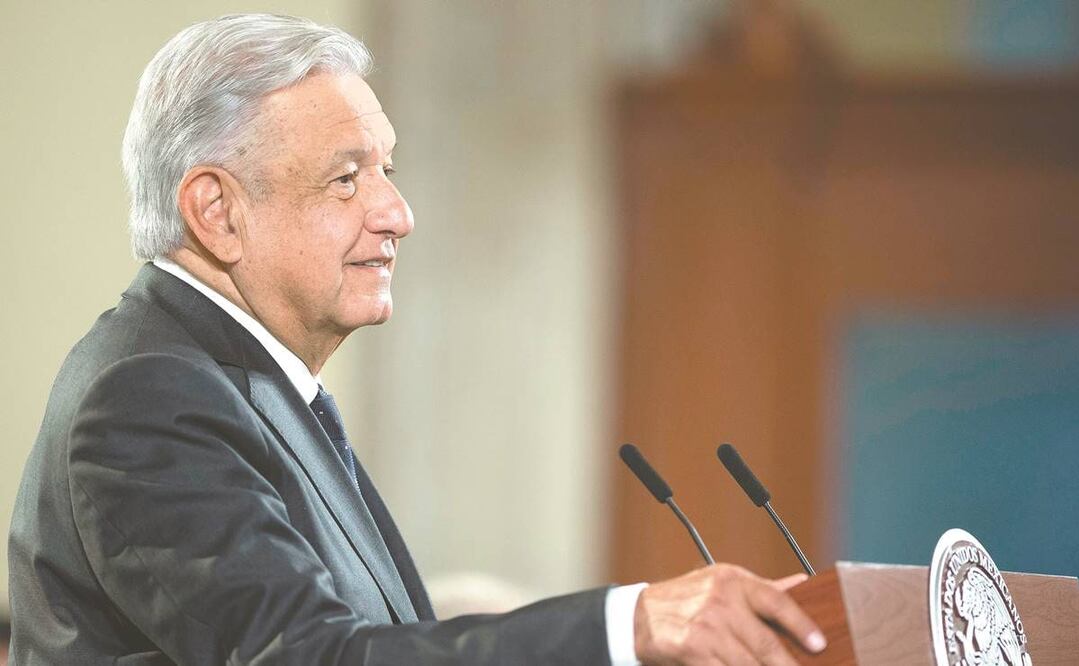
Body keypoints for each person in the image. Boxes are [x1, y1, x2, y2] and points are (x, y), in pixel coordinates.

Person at [7, 14, 826, 665]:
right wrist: (627, 625)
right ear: (217, 212)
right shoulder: (148, 396)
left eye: (386, 172)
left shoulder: (244, 384)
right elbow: (310, 659)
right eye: (346, 177)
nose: (396, 214)